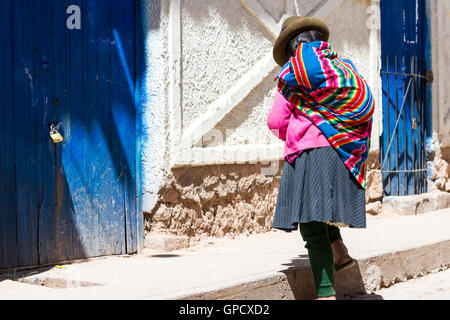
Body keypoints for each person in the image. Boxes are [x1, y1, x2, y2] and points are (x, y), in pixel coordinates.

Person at [267, 16, 374, 300]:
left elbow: (276, 120)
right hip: (344, 152)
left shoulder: (295, 72)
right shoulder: (344, 67)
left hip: (310, 152)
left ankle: (326, 295)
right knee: (325, 213)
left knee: (313, 223)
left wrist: (295, 135)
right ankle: (340, 251)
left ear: (292, 48)